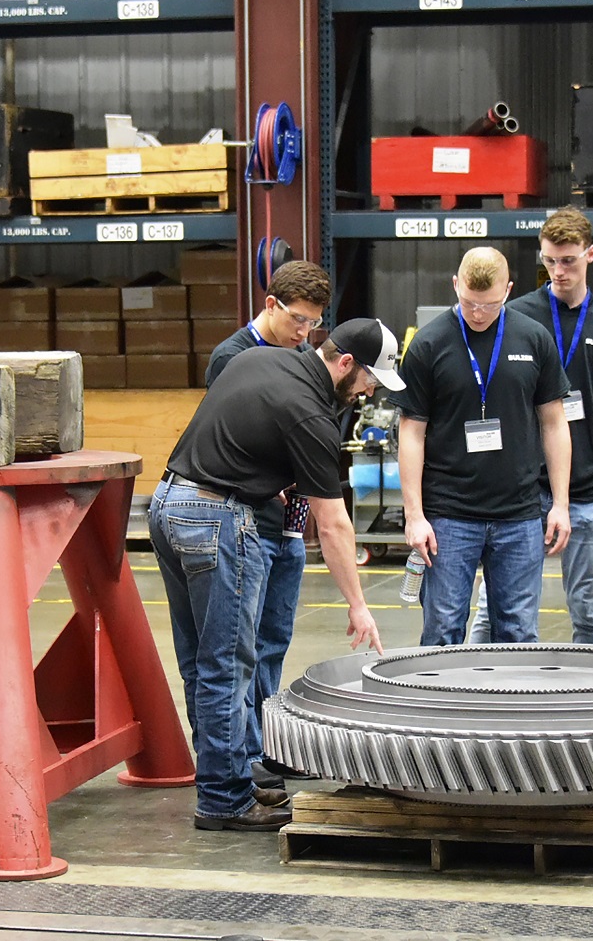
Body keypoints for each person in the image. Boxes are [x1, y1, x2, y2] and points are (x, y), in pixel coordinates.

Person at [150, 317, 403, 830]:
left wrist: (266, 477)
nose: (372, 390)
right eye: (371, 378)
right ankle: (224, 801)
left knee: (202, 663)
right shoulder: (311, 413)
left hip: (168, 503)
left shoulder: (262, 358)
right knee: (228, 667)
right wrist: (359, 604)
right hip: (219, 520)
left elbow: (234, 433)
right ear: (346, 364)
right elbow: (333, 525)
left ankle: (226, 779)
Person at [466, 206, 593, 644]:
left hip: (584, 490)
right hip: (520, 490)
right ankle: (475, 688)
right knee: (497, 607)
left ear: (590, 255)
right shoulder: (514, 318)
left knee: (588, 607)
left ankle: (588, 702)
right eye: (549, 261)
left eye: (568, 260)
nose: (558, 271)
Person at [394, 246, 572, 646]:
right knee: (442, 632)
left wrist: (560, 503)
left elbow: (555, 423)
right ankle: (441, 710)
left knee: (519, 633)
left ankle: (511, 710)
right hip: (448, 516)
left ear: (508, 290)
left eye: (489, 305)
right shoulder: (428, 344)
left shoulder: (534, 338)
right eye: (469, 303)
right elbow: (411, 432)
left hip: (520, 516)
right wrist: (414, 515)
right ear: (455, 285)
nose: (478, 314)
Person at [204, 260, 331, 794]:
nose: (304, 334)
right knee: (241, 647)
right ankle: (244, 756)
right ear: (271, 304)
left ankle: (266, 748)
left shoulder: (300, 356)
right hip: (245, 521)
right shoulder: (232, 358)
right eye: (297, 320)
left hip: (288, 524)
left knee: (274, 640)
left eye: (313, 327)